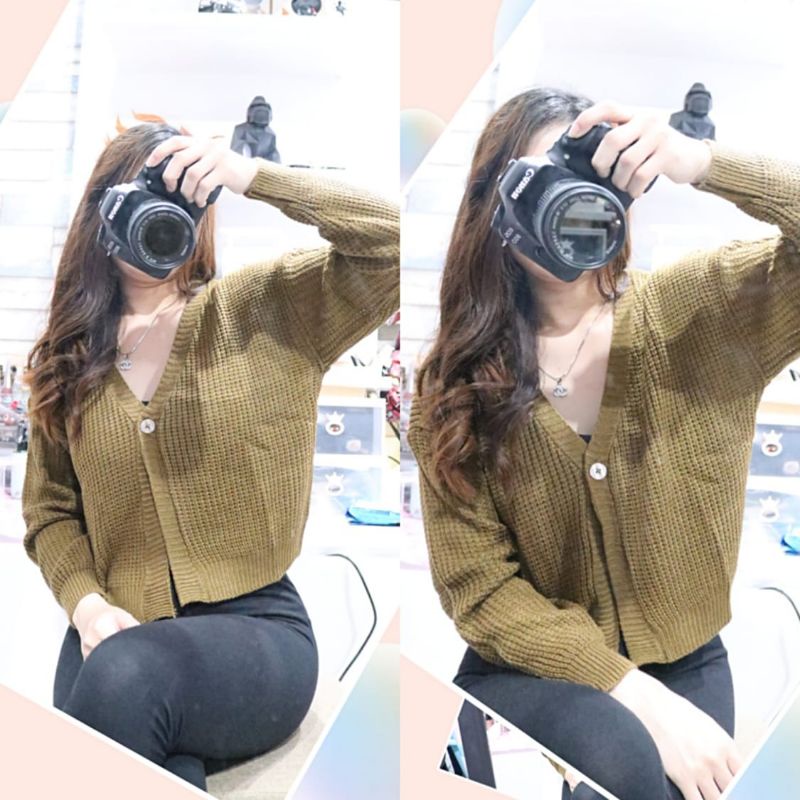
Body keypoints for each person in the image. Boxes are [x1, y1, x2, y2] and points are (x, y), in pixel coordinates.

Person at [408, 87, 800, 800]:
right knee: (618, 754)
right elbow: (481, 590)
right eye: (546, 178)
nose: (576, 198)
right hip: (528, 665)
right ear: (496, 204)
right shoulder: (455, 382)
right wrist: (631, 691)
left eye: (591, 174)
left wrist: (702, 162)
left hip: (684, 662)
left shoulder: (703, 313)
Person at [22, 122, 399, 790]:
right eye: (142, 195)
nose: (162, 212)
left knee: (126, 685)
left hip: (252, 629)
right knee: (154, 746)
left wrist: (250, 175)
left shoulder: (266, 309)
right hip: (112, 630)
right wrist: (86, 606)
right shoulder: (68, 356)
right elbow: (50, 512)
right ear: (102, 215)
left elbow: (393, 243)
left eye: (181, 196)